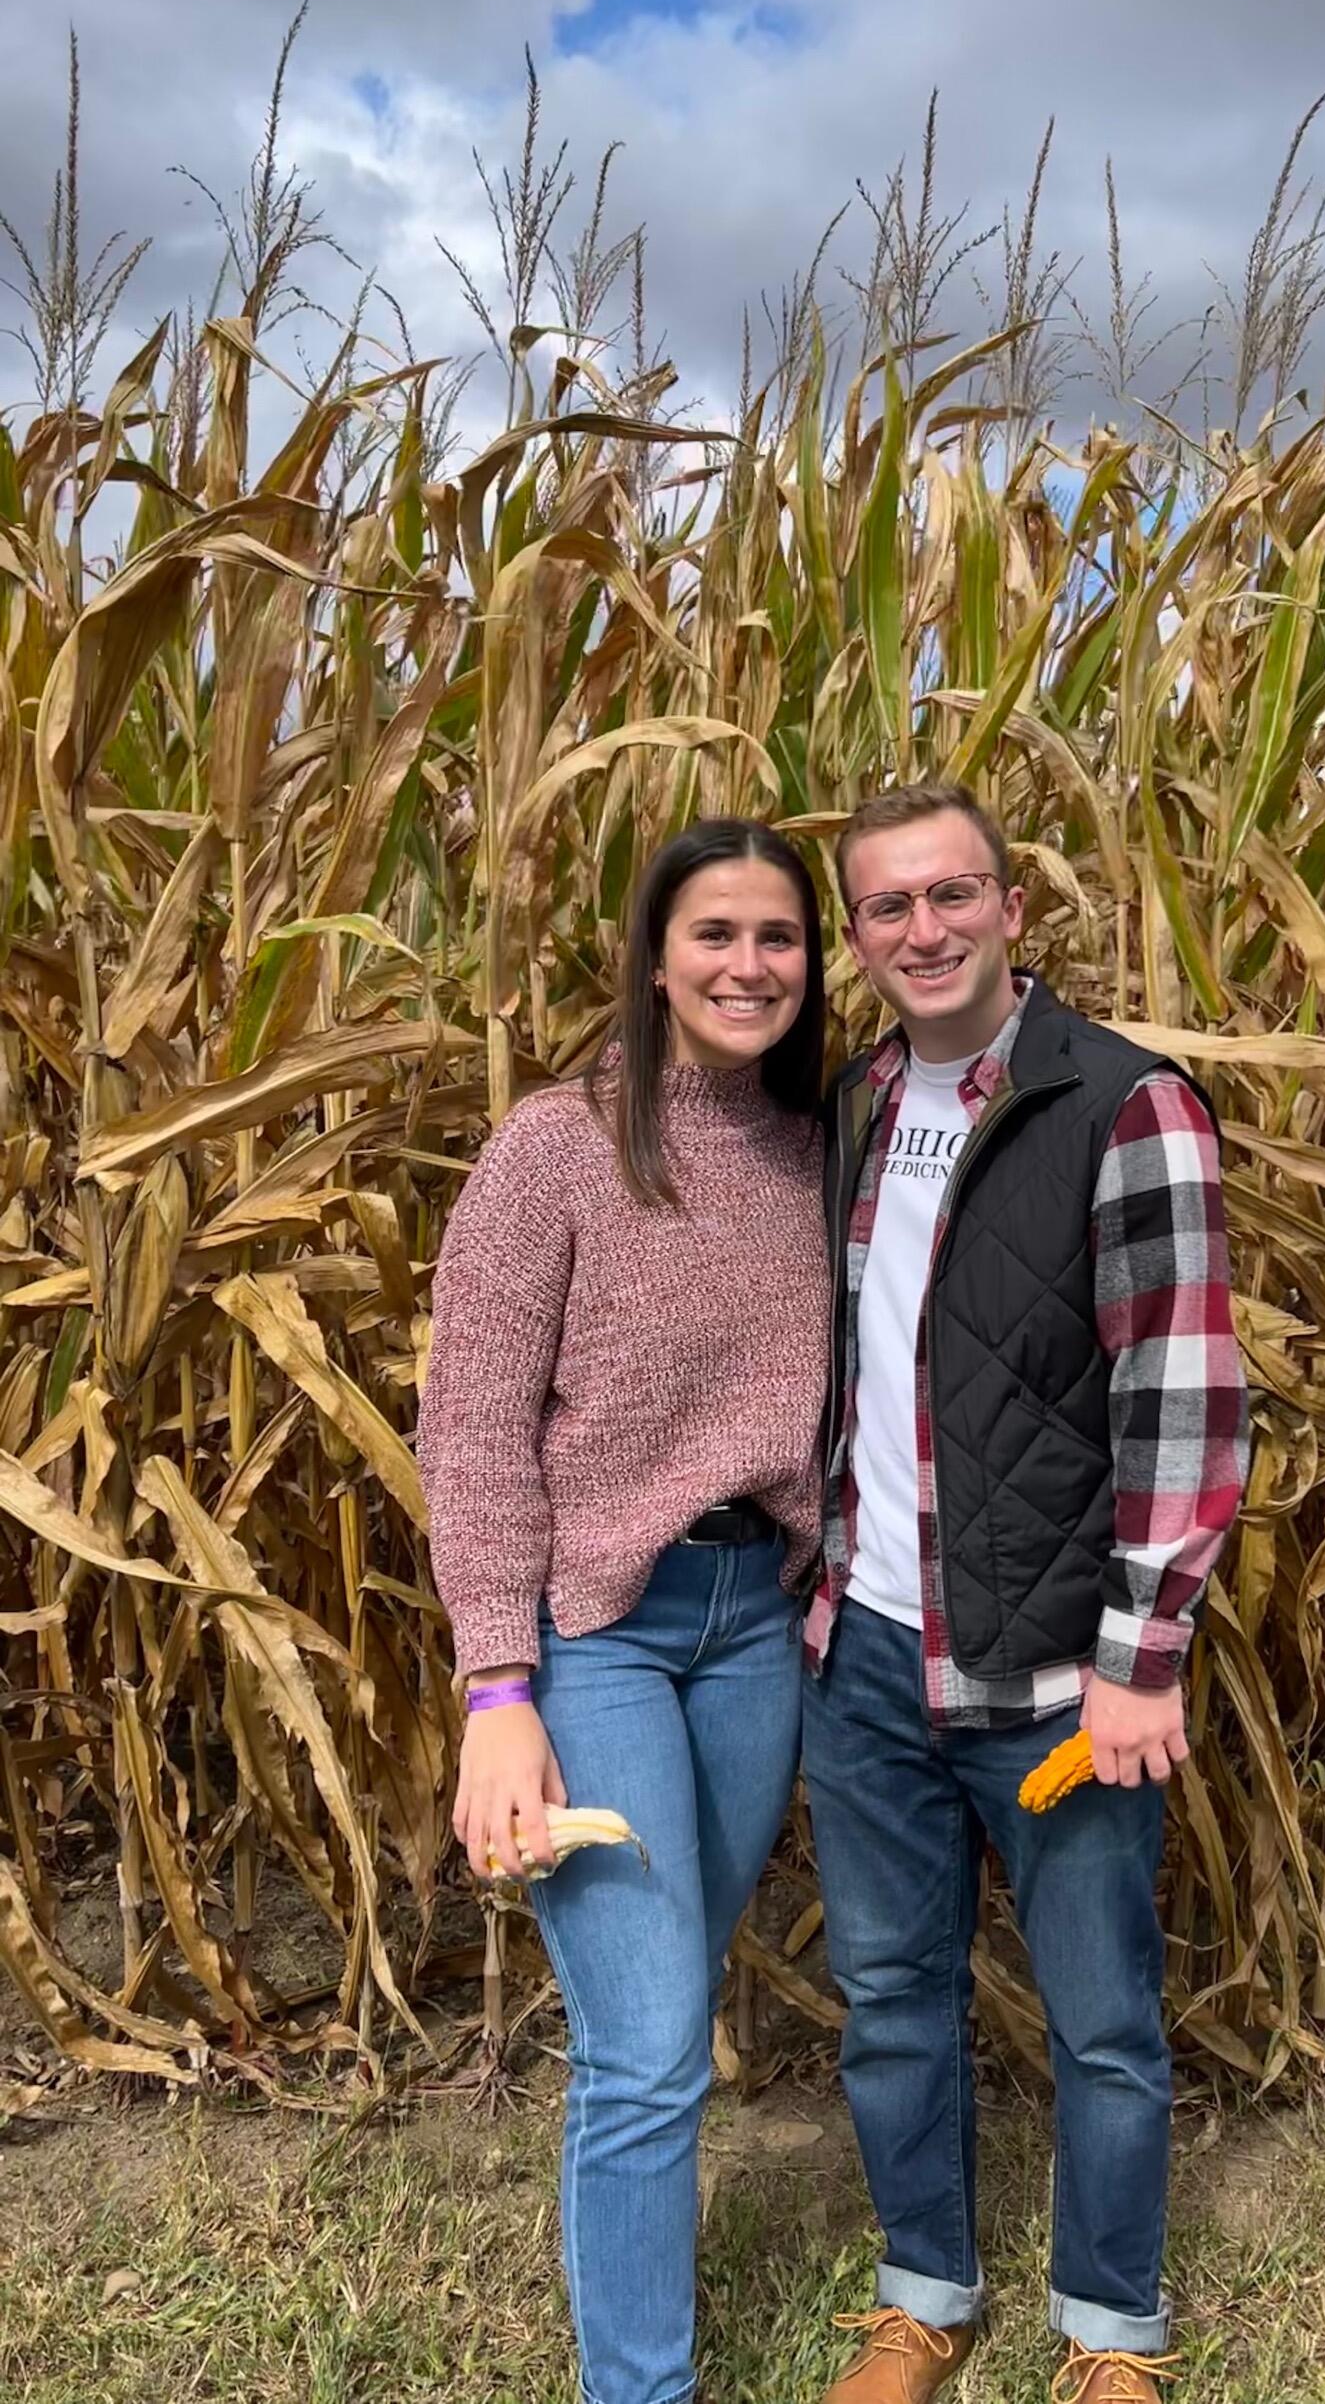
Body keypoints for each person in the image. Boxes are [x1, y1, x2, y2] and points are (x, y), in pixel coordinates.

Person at [803, 784, 1250, 2404]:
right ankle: (924, 2295)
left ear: (1010, 908)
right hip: (864, 1659)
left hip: (1056, 1671)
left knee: (1104, 2021)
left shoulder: (1123, 1105)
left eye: (952, 895)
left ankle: (1110, 2335)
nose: (922, 931)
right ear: (856, 937)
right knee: (892, 2003)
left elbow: (1183, 1399)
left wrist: (1145, 1654)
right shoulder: (854, 1102)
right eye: (886, 908)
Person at [417, 818, 829, 2404]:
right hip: (601, 1631)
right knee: (650, 2042)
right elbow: (472, 1426)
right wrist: (496, 1688)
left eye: (778, 938)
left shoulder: (821, 1151)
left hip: (756, 1628)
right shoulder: (557, 1147)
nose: (748, 965)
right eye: (714, 934)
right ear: (654, 956)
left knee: (668, 2006)